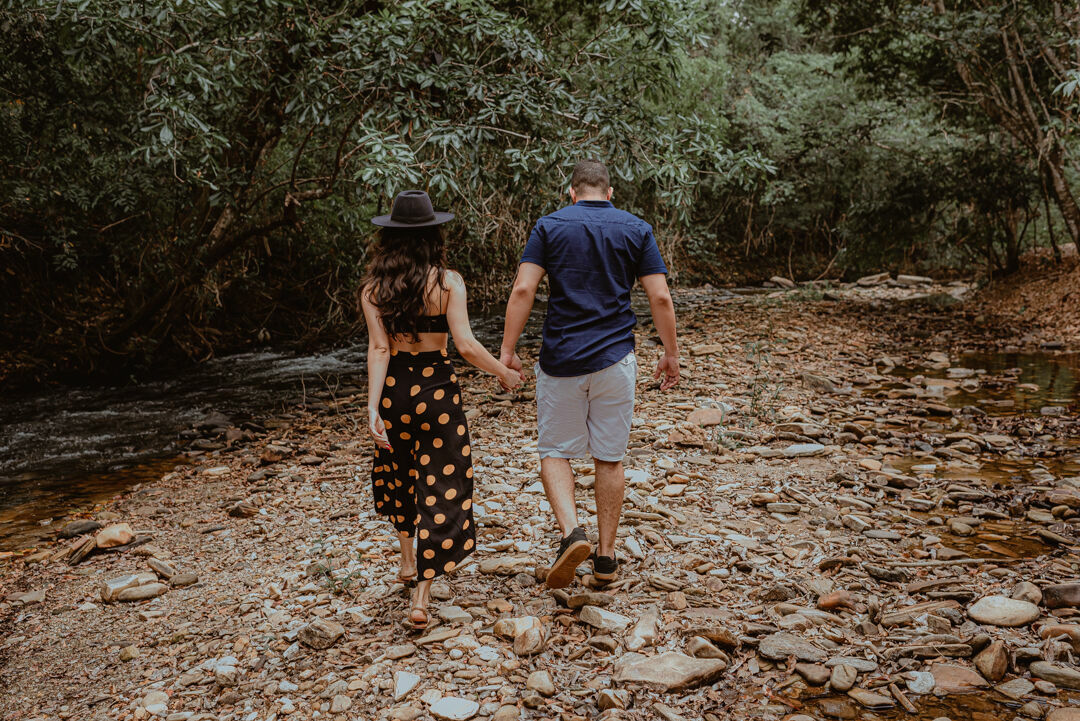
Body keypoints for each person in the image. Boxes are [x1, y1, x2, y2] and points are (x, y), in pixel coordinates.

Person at [499, 159, 680, 589]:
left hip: (561, 358)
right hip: (615, 359)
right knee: (609, 456)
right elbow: (660, 296)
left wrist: (507, 350)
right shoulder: (636, 229)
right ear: (610, 192)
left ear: (572, 192)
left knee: (554, 450)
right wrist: (670, 353)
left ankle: (571, 534)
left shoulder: (549, 226)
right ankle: (606, 557)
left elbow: (523, 288)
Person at [362, 189, 523, 629]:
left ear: (389, 239)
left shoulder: (373, 289)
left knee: (399, 472)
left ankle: (406, 561)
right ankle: (421, 596)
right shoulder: (448, 283)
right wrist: (503, 373)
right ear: (434, 236)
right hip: (437, 393)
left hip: (395, 392)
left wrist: (372, 408)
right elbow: (465, 345)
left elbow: (379, 349)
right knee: (442, 482)